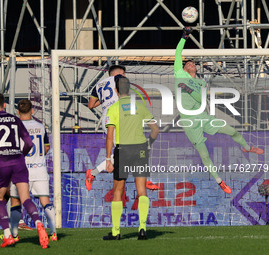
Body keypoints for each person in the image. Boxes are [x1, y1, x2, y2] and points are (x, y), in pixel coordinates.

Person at [174, 27, 264, 194]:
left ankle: (246, 147)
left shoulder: (200, 83)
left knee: (232, 130)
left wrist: (187, 88)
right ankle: (219, 180)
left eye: (193, 62)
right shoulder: (179, 73)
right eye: (187, 63)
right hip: (189, 122)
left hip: (204, 117)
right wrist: (184, 37)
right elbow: (178, 53)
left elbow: (200, 99)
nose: (190, 63)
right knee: (204, 154)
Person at [0, 93, 49, 248]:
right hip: (18, 161)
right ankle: (38, 222)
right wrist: (20, 155)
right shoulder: (15, 119)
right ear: (4, 105)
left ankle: (8, 235)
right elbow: (29, 143)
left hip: (1, 162)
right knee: (25, 198)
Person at [103, 75, 159, 240]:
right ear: (130, 89)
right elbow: (155, 129)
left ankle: (116, 232)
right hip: (140, 149)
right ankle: (142, 228)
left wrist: (108, 159)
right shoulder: (140, 106)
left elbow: (109, 136)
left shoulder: (112, 108)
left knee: (118, 191)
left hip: (123, 150)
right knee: (142, 190)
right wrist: (148, 144)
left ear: (115, 90)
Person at [86, 65, 159, 192]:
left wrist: (104, 100)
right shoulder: (119, 78)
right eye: (124, 74)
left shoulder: (98, 85)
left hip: (107, 117)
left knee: (124, 150)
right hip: (117, 116)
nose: (125, 77)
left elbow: (91, 105)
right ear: (119, 73)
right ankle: (92, 173)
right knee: (126, 150)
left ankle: (93, 173)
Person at [9, 99, 57, 241]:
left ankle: (15, 235)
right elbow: (46, 147)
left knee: (16, 201)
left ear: (17, 112)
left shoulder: (15, 127)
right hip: (40, 169)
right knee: (45, 201)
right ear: (32, 111)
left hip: (21, 170)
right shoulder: (40, 127)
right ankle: (53, 233)